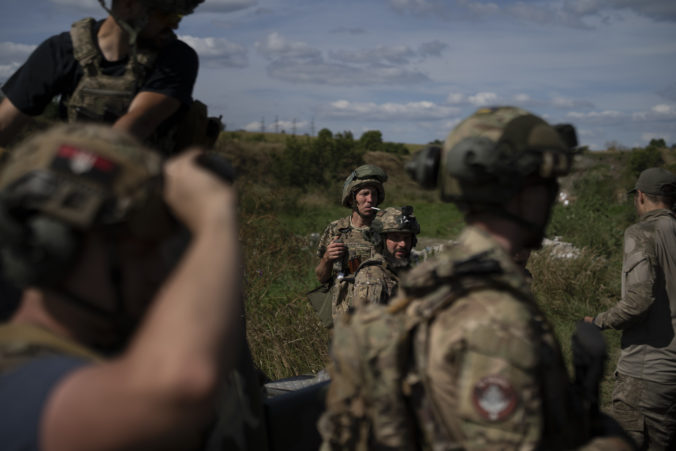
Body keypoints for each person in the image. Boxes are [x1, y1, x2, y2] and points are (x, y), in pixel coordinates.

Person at [319, 106, 633, 450]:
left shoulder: (433, 280)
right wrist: (608, 439)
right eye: (546, 185)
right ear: (524, 191)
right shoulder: (494, 318)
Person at [0, 123, 247, 450]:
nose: (159, 271)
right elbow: (181, 388)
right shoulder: (17, 377)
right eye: (140, 251)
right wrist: (214, 215)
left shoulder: (102, 360)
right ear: (54, 244)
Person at [0, 0, 203, 152]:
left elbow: (141, 121)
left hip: (143, 185)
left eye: (179, 18)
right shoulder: (60, 51)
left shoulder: (176, 57)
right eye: (168, 16)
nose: (174, 26)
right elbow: (6, 121)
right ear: (129, 5)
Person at [584, 167, 676, 450]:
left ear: (640, 196)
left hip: (647, 373)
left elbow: (638, 301)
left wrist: (599, 321)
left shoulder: (642, 232)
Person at [314, 164, 387, 322]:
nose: (370, 199)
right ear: (352, 198)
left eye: (374, 194)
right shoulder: (336, 229)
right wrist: (327, 258)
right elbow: (321, 277)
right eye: (364, 194)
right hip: (343, 316)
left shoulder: (385, 229)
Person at [350, 205, 420, 308]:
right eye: (395, 237)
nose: (403, 244)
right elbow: (366, 321)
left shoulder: (406, 271)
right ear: (381, 240)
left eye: (407, 238)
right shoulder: (372, 275)